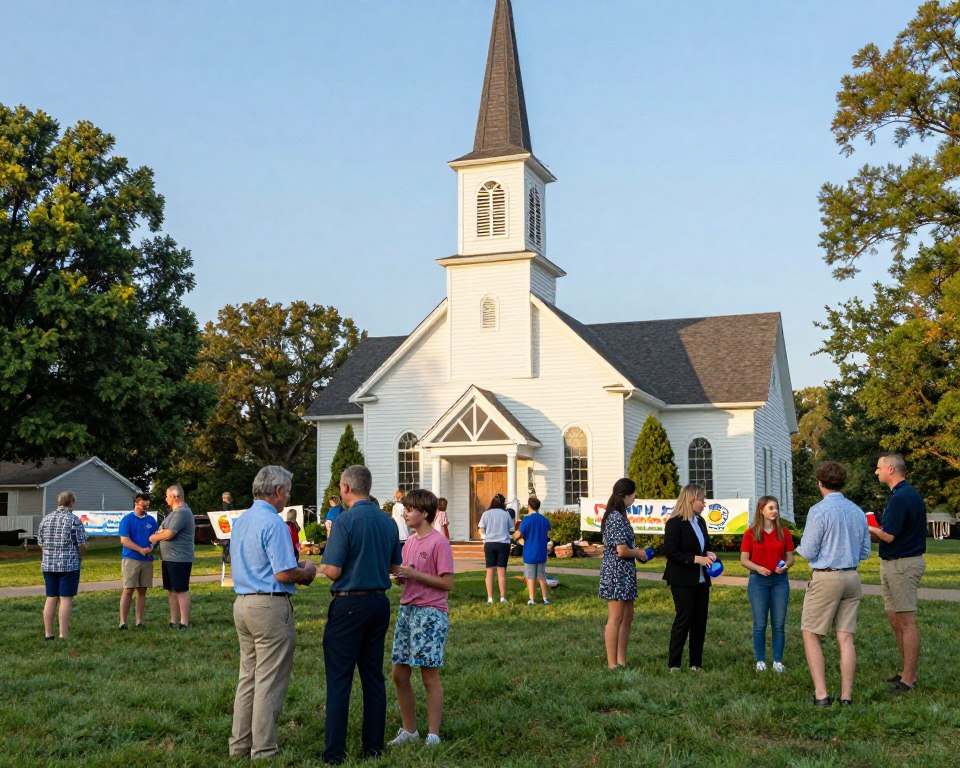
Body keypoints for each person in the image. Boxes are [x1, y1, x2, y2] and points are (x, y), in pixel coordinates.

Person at [228, 465, 317, 759]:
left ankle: (239, 744)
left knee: (248, 677)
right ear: (278, 491)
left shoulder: (241, 521)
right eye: (288, 492)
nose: (287, 498)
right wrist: (307, 571)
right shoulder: (274, 523)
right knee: (268, 679)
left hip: (242, 602)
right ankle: (264, 749)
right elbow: (283, 573)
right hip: (269, 605)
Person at [321, 465, 403, 765]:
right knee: (372, 677)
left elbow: (333, 571)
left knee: (340, 679)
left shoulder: (344, 521)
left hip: (348, 602)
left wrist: (315, 567)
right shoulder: (387, 522)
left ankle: (334, 753)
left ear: (345, 488)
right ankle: (373, 747)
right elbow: (396, 567)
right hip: (378, 603)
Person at [795, 461, 871, 706]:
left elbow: (807, 551)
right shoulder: (857, 511)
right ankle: (846, 696)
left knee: (811, 632)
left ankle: (821, 695)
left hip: (827, 575)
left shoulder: (819, 511)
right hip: (852, 576)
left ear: (820, 483)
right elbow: (865, 551)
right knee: (846, 637)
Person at [387, 489, 454, 748]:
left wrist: (414, 575)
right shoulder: (411, 542)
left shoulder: (439, 543)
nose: (405, 513)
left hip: (431, 613)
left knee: (429, 675)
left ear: (424, 513)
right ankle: (409, 730)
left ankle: (433, 734)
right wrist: (402, 578)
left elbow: (447, 583)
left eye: (410, 509)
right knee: (399, 673)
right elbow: (410, 574)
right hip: (408, 610)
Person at [870, 452, 927, 692]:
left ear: (891, 470)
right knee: (896, 619)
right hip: (894, 563)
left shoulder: (902, 497)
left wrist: (868, 527)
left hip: (903, 564)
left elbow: (889, 535)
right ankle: (906, 672)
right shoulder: (902, 495)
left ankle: (909, 680)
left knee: (906, 621)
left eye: (879, 467)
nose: (877, 472)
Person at [663, 484, 716, 671]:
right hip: (682, 580)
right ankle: (674, 664)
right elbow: (671, 552)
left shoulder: (700, 522)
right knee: (683, 620)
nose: (704, 503)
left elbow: (705, 546)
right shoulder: (675, 523)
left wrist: (709, 554)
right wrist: (696, 559)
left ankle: (696, 664)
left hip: (701, 580)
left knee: (700, 622)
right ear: (691, 500)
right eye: (702, 499)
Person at [739, 496, 795, 672]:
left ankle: (777, 660)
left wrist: (785, 566)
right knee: (760, 623)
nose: (774, 511)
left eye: (776, 508)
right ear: (761, 510)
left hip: (780, 582)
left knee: (778, 623)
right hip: (758, 581)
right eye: (770, 508)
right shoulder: (751, 533)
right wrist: (759, 568)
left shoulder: (783, 532)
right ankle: (760, 660)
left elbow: (790, 557)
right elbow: (744, 560)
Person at [598, 478, 649, 669]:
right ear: (626, 495)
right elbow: (621, 550)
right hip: (616, 573)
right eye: (633, 493)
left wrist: (637, 553)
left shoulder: (620, 515)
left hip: (625, 572)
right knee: (616, 618)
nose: (635, 497)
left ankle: (621, 661)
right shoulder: (615, 517)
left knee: (627, 617)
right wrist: (637, 552)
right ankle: (612, 664)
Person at [37, 491, 87, 640]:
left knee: (51, 597)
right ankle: (63, 634)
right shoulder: (74, 520)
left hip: (48, 564)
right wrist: (81, 557)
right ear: (71, 503)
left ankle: (48, 633)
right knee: (65, 598)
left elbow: (40, 542)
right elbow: (81, 544)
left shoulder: (46, 519)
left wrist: (49, 554)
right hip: (68, 564)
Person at [149, 484, 195, 629]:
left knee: (181, 589)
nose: (165, 498)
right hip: (168, 558)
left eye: (167, 495)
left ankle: (184, 622)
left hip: (179, 558)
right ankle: (173, 620)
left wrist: (155, 538)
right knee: (171, 590)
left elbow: (169, 533)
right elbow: (161, 529)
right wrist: (161, 533)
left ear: (176, 496)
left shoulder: (183, 513)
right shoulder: (172, 513)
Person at [118, 492, 158, 630]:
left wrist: (151, 547)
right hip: (131, 559)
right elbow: (124, 540)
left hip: (147, 560)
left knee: (142, 591)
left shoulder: (151, 521)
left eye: (147, 505)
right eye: (143, 505)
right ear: (136, 503)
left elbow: (155, 537)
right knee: (128, 589)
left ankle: (139, 621)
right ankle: (123, 622)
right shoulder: (127, 520)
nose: (145, 508)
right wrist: (140, 549)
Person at [478, 492, 513, 603]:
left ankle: (490, 598)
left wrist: (484, 536)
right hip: (503, 544)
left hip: (490, 544)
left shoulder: (486, 513)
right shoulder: (506, 514)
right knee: (501, 571)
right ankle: (503, 597)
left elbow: (481, 529)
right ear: (503, 503)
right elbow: (510, 529)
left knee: (489, 571)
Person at [518, 497, 552, 605]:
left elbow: (519, 534)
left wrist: (514, 537)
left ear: (529, 506)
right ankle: (545, 598)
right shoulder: (545, 520)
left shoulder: (526, 520)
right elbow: (548, 535)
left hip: (530, 552)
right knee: (541, 575)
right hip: (541, 552)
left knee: (530, 577)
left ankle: (532, 599)